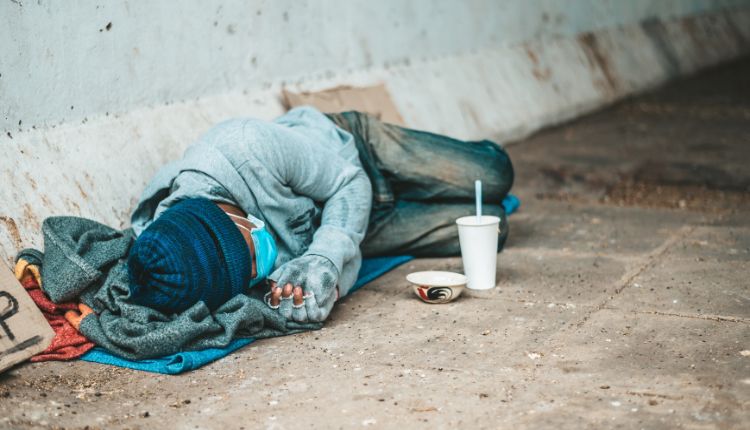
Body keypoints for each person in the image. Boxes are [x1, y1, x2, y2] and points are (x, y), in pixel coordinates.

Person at [127, 106, 513, 323]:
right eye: (246, 277)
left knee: (494, 177)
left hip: (354, 156)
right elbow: (341, 255)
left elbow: (351, 184)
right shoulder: (185, 266)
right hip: (347, 224)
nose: (256, 270)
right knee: (493, 226)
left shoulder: (246, 145)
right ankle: (420, 191)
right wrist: (326, 288)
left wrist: (324, 256)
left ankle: (421, 173)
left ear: (230, 215)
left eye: (248, 256)